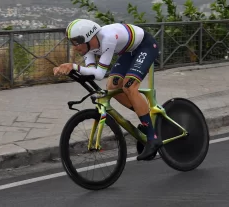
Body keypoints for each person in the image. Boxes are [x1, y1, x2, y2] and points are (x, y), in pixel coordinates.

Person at [53, 19, 161, 161]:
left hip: (145, 46)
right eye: (71, 43)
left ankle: (153, 138)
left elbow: (99, 74)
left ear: (87, 37)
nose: (74, 47)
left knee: (129, 86)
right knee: (112, 87)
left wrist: (73, 67)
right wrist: (71, 71)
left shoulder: (108, 38)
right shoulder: (88, 47)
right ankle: (146, 118)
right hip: (128, 51)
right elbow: (91, 71)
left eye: (75, 42)